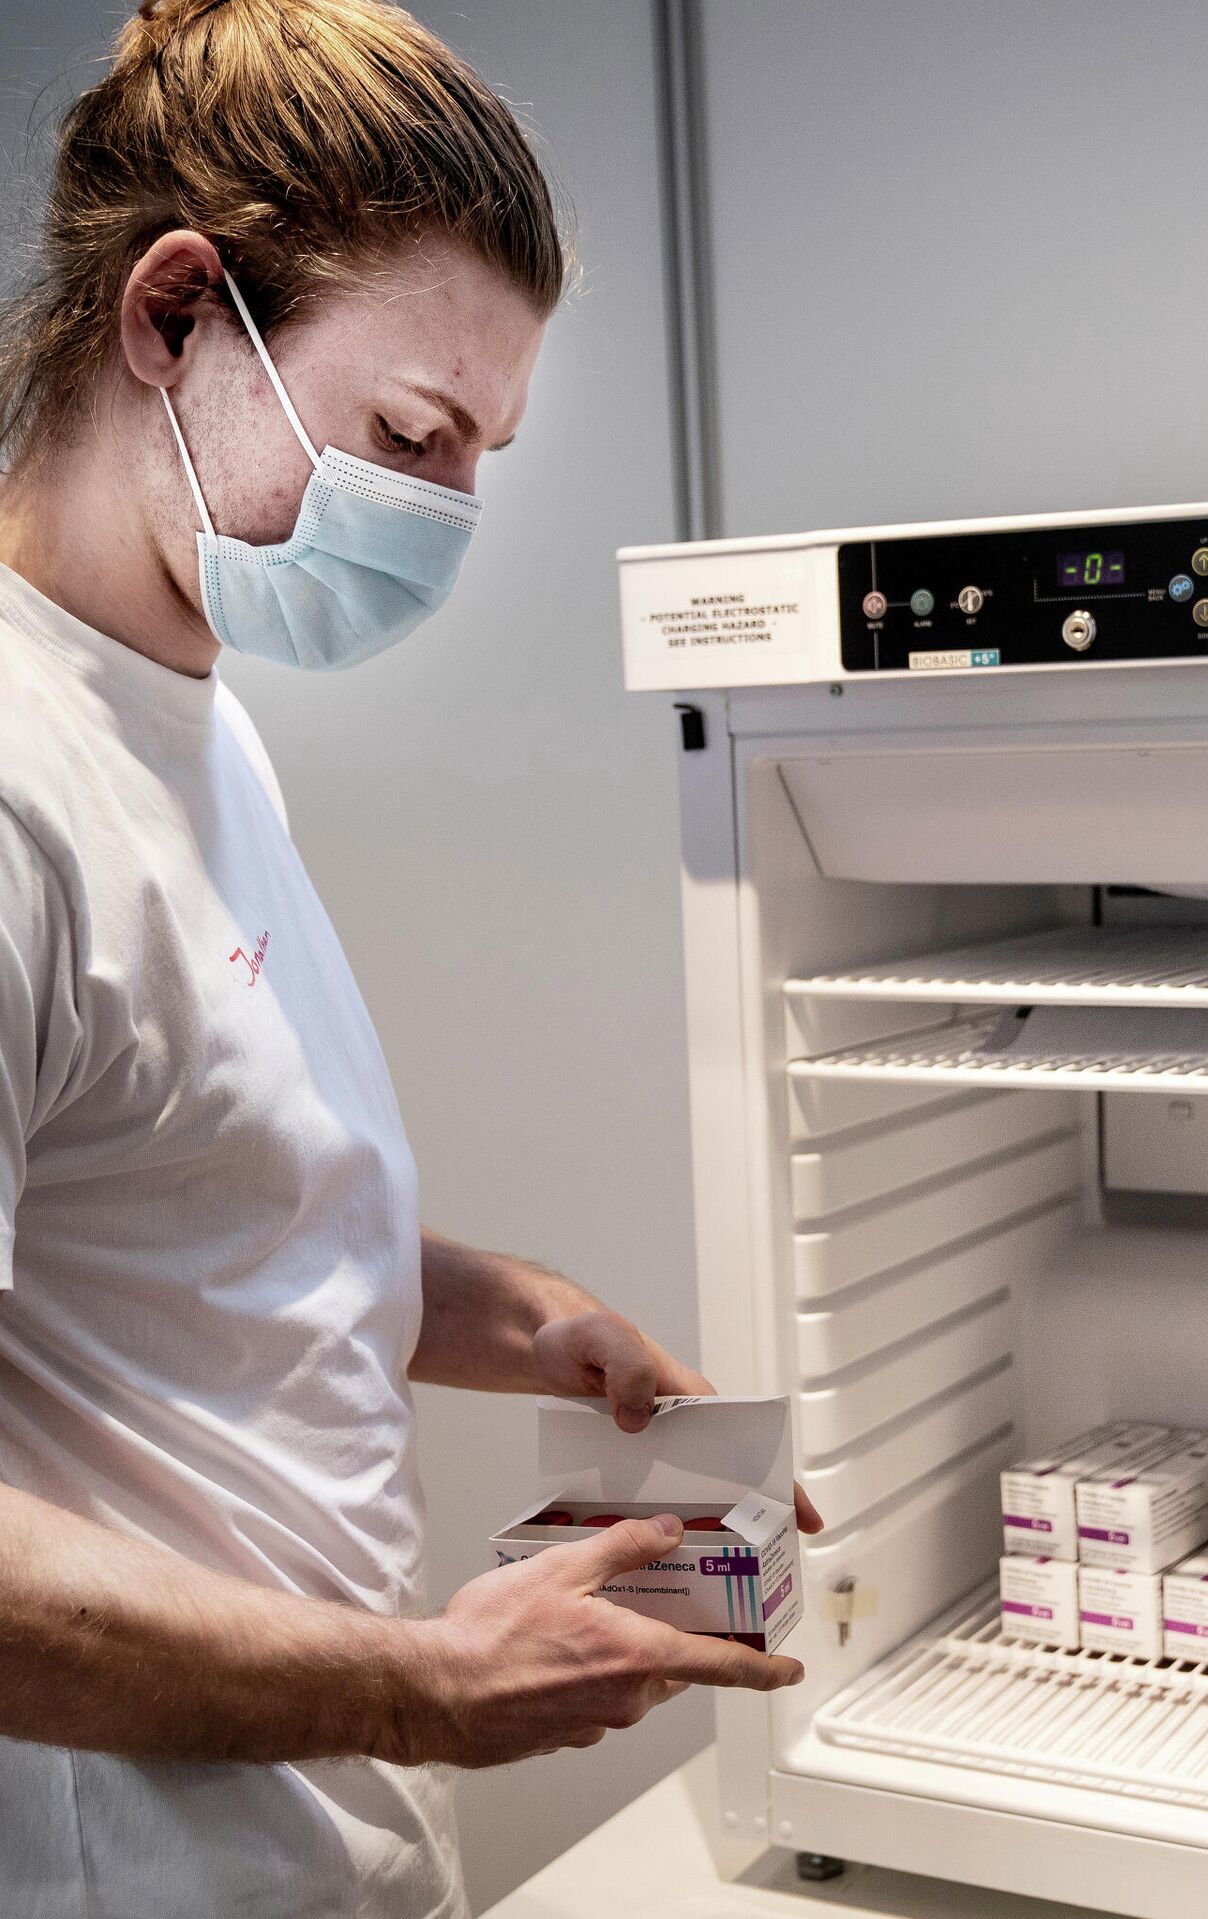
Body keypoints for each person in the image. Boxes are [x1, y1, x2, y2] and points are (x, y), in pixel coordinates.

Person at [0, 3, 816, 1914]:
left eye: (479, 457)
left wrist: (514, 1316)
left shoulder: (192, 723)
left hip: (315, 1838)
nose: (444, 519)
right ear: (175, 315)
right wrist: (431, 1686)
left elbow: (184, 1213)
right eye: (407, 435)